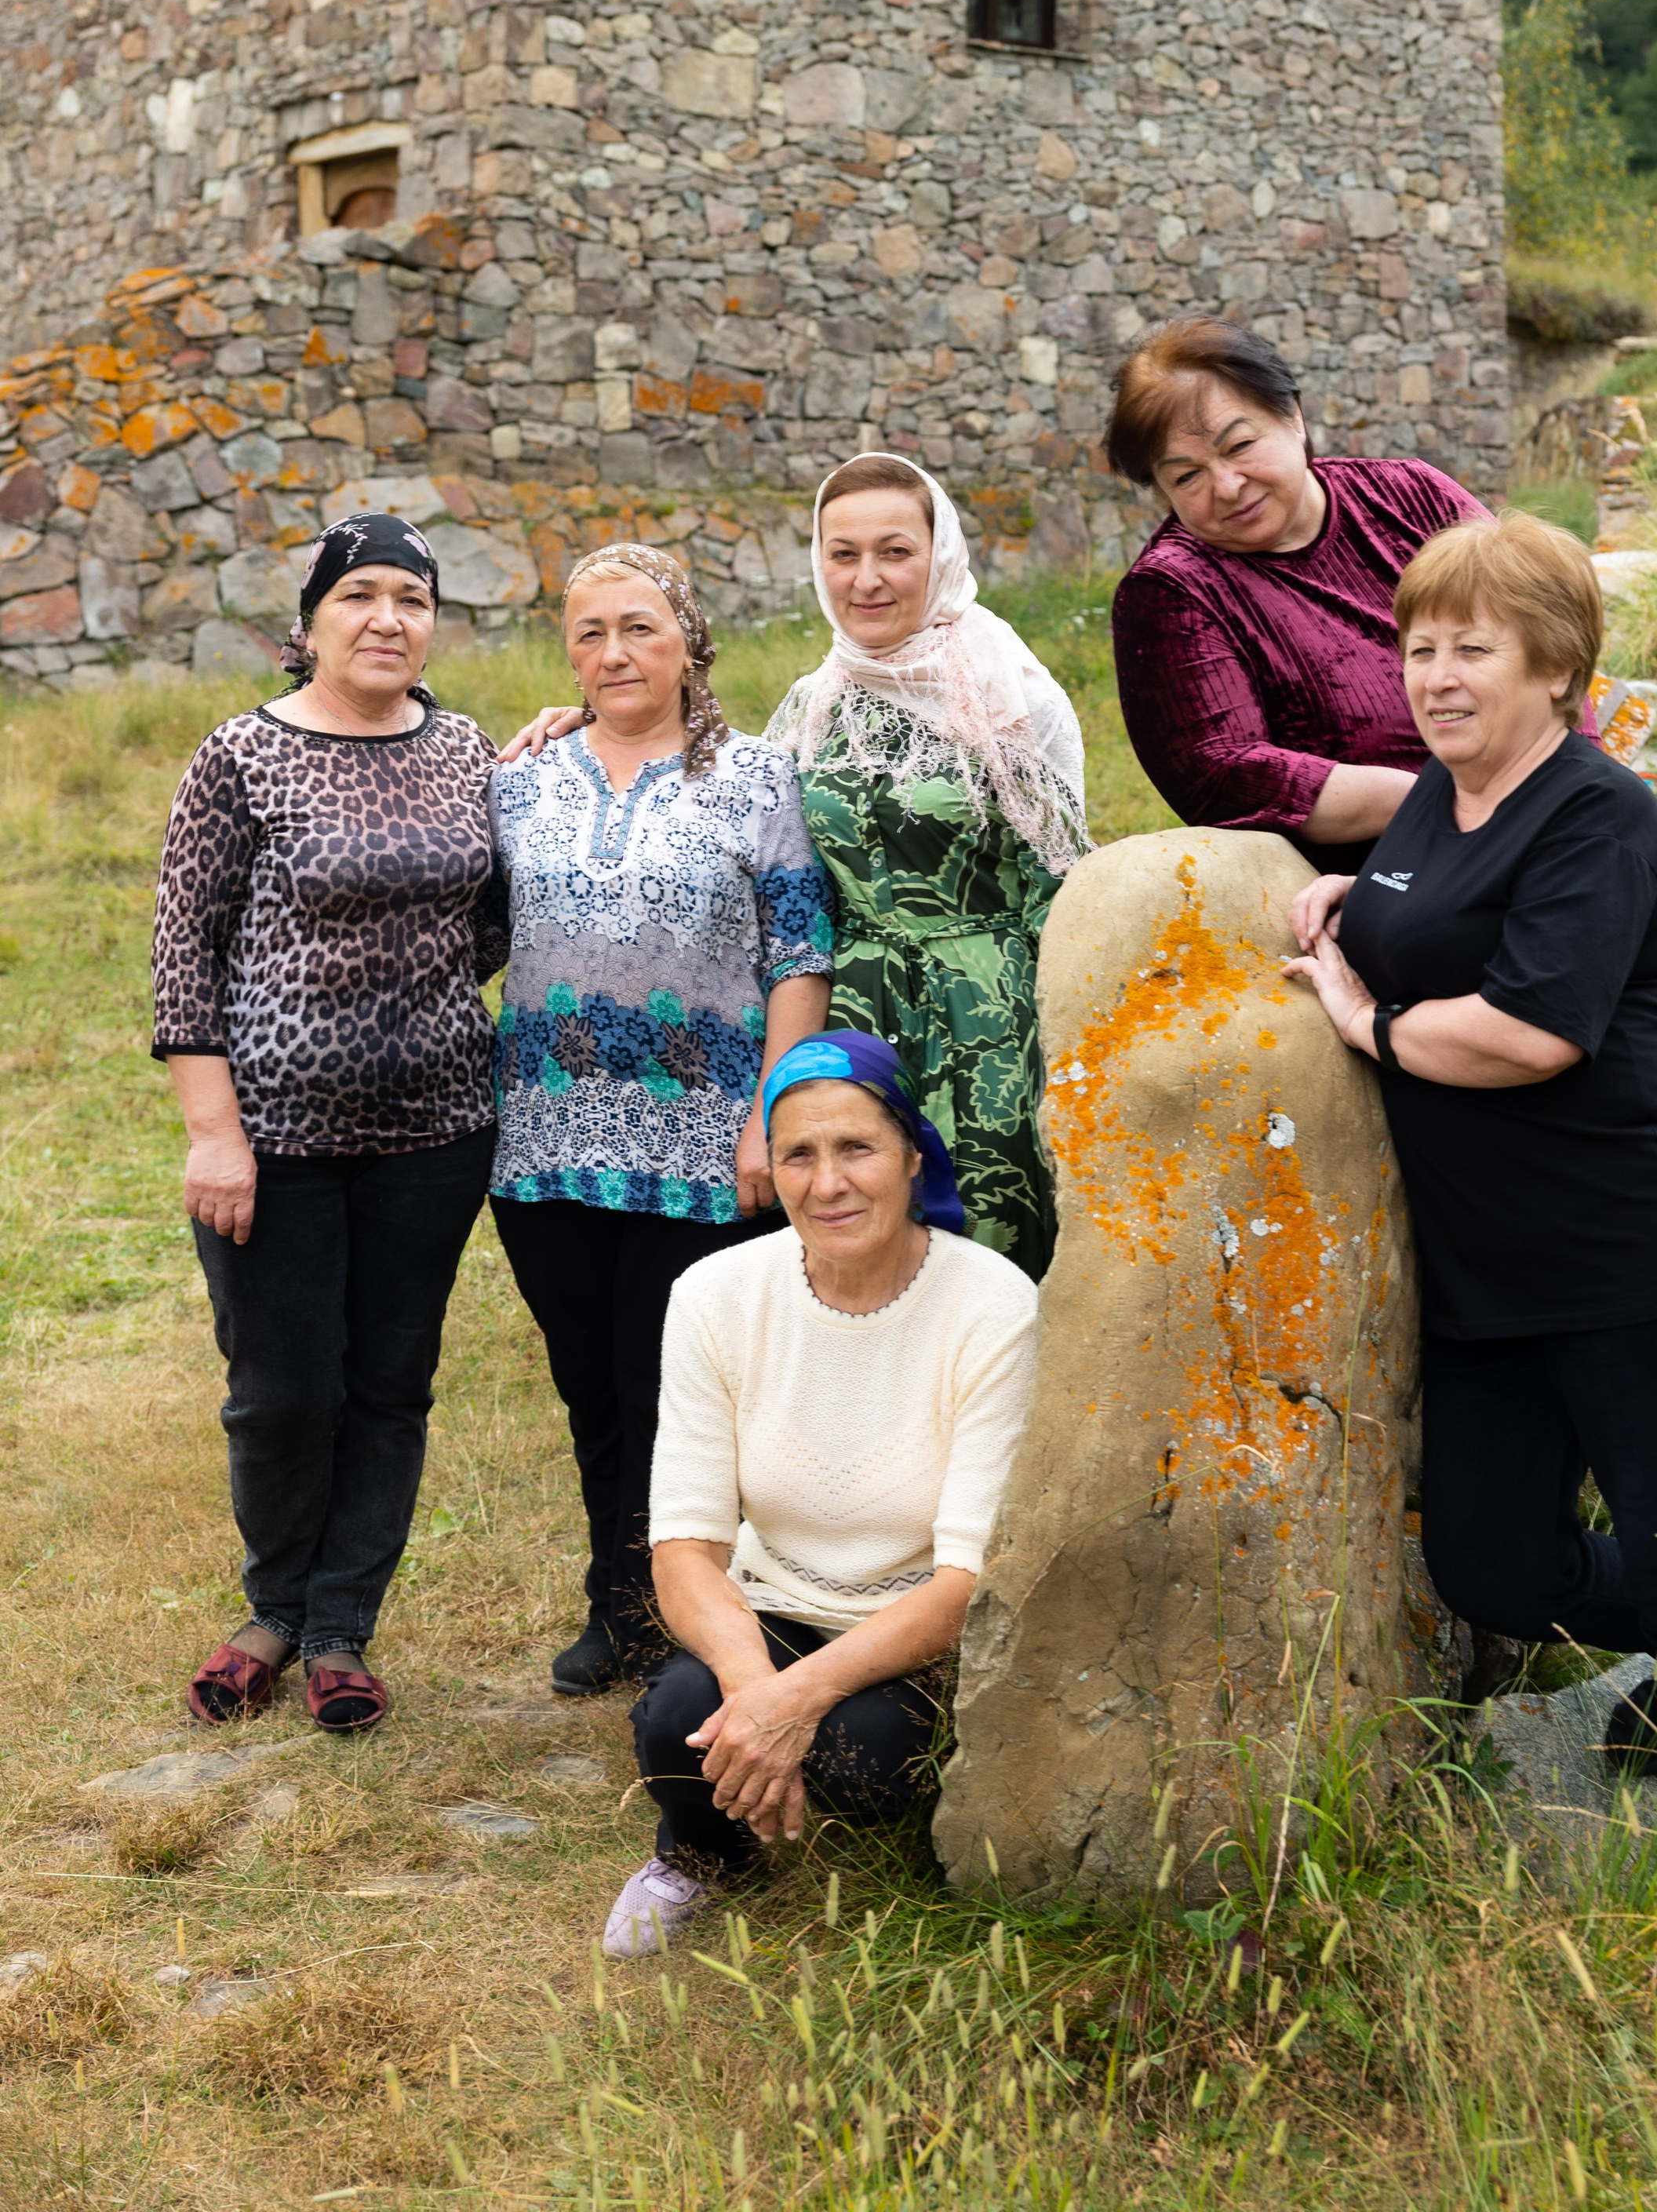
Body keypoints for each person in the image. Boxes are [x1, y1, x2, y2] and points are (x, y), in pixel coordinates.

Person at [1282, 512, 1657, 2003]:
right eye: (1420, 646)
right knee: (1492, 1566)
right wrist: (1329, 906)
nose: (1436, 676)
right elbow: (1405, 912)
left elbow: (1529, 1028)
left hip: (1637, 1249)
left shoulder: (1598, 815)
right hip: (1492, 1275)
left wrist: (1365, 1024)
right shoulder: (1435, 805)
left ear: (1556, 666)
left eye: (1471, 650)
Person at [151, 512, 509, 1736]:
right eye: (360, 593)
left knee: (390, 1383)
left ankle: (342, 1629)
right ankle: (275, 1608)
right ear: (310, 624)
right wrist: (215, 1129)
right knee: (280, 1389)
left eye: (412, 597)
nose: (387, 618)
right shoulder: (238, 756)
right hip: (276, 1139)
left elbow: (494, 918)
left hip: (440, 1128)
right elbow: (182, 955)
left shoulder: (464, 749)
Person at [603, 1029, 1038, 1955]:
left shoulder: (992, 1305)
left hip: (914, 1625)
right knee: (679, 1720)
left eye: (857, 1149)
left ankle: (898, 1843)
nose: (828, 1182)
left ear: (912, 1155)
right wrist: (757, 1689)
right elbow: (683, 1544)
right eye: (798, 1153)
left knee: (867, 1757)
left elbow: (964, 1581)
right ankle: (695, 1858)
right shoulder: (715, 1293)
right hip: (775, 1599)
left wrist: (798, 1705)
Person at [487, 544, 835, 1698]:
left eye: (638, 627)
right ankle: (619, 1610)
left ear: (689, 639)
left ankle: (698, 1613)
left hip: (703, 1146)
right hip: (543, 1145)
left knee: (673, 1389)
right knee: (590, 1385)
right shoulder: (520, 778)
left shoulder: (755, 778)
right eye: (589, 633)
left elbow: (800, 953)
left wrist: (772, 1120)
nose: (614, 653)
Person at [763, 456, 1089, 1277]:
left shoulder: (1007, 692)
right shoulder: (815, 703)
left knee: (994, 1250)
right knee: (860, 1249)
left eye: (894, 551)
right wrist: (583, 722)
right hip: (854, 1019)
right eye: (843, 554)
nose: (866, 579)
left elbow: (1060, 885)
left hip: (992, 1024)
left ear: (938, 556)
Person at [1105, 317, 1489, 873]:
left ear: (1293, 416)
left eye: (1239, 446)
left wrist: (1569, 784)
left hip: (1538, 816)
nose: (1228, 486)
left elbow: (1541, 631)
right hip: (1375, 879)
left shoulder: (1412, 497)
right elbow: (1222, 772)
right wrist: (1440, 802)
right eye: (1187, 477)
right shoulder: (1171, 592)